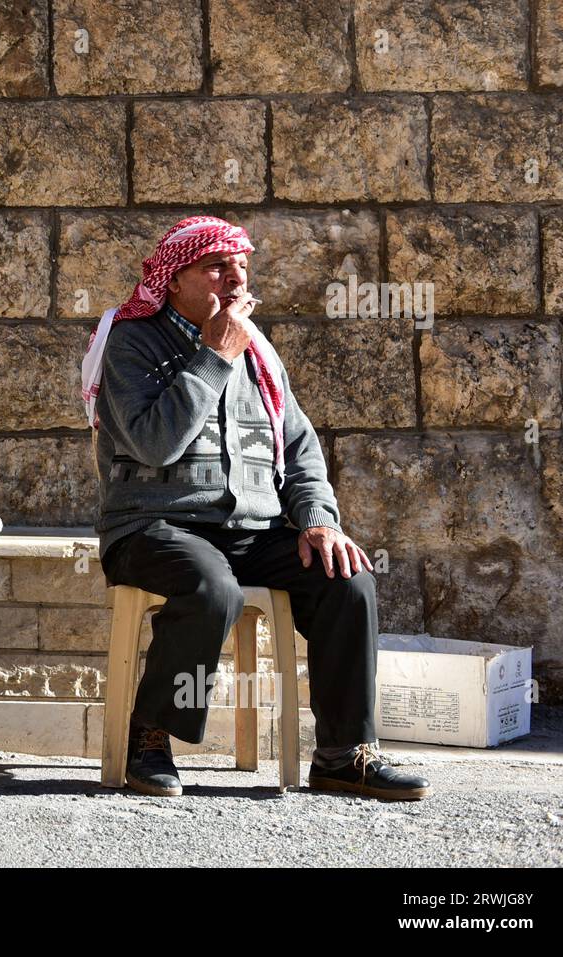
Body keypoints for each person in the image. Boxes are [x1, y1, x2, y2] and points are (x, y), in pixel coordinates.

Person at [81, 216, 431, 801]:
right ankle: (150, 738)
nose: (235, 277)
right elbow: (152, 443)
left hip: (252, 529)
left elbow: (298, 450)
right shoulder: (130, 340)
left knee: (346, 577)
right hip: (152, 527)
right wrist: (214, 357)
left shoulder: (258, 351)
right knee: (210, 587)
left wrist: (319, 520)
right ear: (174, 281)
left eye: (241, 264)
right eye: (216, 267)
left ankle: (344, 756)